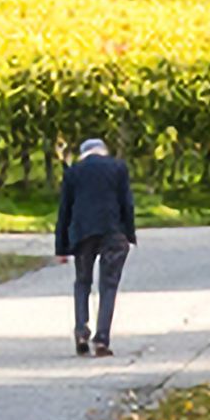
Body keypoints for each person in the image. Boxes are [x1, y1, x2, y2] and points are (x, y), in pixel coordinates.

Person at [53, 131, 139, 353]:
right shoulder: (118, 168)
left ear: (83, 154)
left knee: (82, 282)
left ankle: (81, 331)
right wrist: (129, 234)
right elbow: (126, 203)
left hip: (82, 233)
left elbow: (65, 210)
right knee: (108, 285)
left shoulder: (73, 171)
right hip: (112, 230)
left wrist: (61, 247)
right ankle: (102, 339)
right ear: (103, 151)